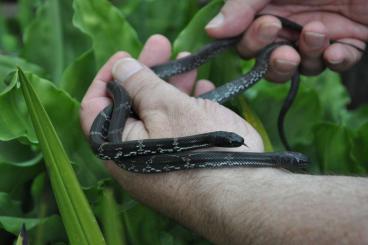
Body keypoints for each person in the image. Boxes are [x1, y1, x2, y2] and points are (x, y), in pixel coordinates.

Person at [80, 1, 368, 244]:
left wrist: (218, 188)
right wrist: (128, 84)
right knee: (127, 92)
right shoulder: (111, 141)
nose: (235, 141)